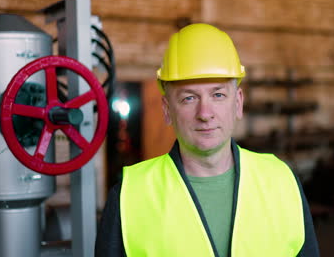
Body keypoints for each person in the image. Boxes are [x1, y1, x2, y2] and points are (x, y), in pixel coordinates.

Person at [96, 23, 320, 257]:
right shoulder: (129, 197)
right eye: (189, 98)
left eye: (218, 95)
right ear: (166, 109)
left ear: (238, 103)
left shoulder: (282, 181)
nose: (205, 113)